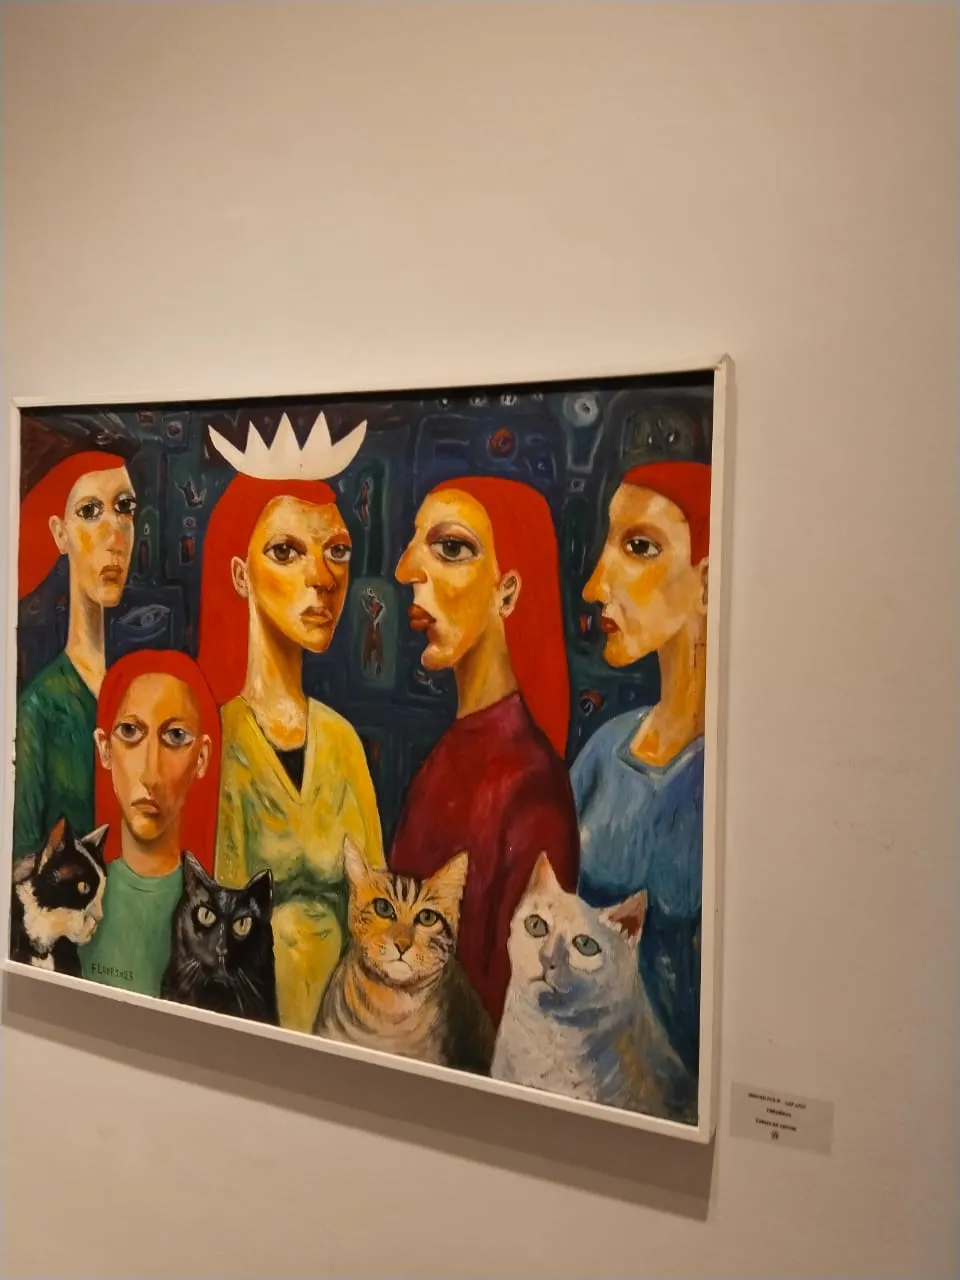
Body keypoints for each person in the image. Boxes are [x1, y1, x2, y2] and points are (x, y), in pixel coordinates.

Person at [198, 470, 384, 1034]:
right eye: (285, 552)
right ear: (240, 574)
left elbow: (377, 911)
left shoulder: (343, 742)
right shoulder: (219, 739)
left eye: (337, 552)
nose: (322, 578)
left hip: (349, 1032)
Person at [390, 476, 579, 1026]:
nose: (406, 570)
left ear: (508, 593)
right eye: (414, 543)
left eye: (451, 548)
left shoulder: (532, 789)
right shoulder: (450, 755)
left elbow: (518, 1015)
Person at [572, 461, 710, 1081]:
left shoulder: (735, 781)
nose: (595, 584)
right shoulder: (604, 752)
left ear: (708, 582)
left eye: (641, 547)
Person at [14, 452, 137, 861]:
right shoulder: (39, 709)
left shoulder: (147, 688)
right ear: (59, 533)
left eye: (125, 507)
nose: (114, 537)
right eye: (89, 512)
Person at [80, 649, 220, 997]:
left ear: (202, 758)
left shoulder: (222, 920)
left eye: (175, 736)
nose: (150, 773)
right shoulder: (73, 902)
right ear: (104, 749)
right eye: (130, 731)